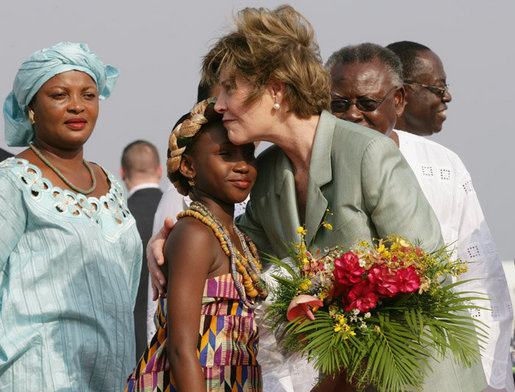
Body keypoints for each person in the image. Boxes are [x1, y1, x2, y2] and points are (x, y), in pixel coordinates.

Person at [148, 6, 447, 391]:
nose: (218, 104)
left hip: (414, 376)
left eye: (229, 88)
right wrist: (170, 239)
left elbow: (426, 276)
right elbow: (240, 250)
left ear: (274, 90)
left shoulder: (368, 153)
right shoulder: (271, 169)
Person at [0, 42, 142, 390]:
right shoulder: (13, 182)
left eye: (89, 95)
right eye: (60, 95)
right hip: (36, 376)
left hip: (110, 377)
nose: (77, 106)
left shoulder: (110, 185)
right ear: (31, 107)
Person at [385, 40, 514, 392]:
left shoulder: (444, 165)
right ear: (400, 94)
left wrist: (488, 379)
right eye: (438, 88)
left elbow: (482, 283)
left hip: (448, 367)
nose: (447, 98)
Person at [126, 98, 266, 391]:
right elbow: (180, 350)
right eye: (225, 154)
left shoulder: (238, 237)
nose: (241, 165)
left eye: (248, 153)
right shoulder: (195, 234)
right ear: (188, 166)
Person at [120, 140, 163, 360]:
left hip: (130, 343)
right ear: (160, 170)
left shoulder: (117, 217)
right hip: (174, 337)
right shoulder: (182, 212)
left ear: (122, 172)